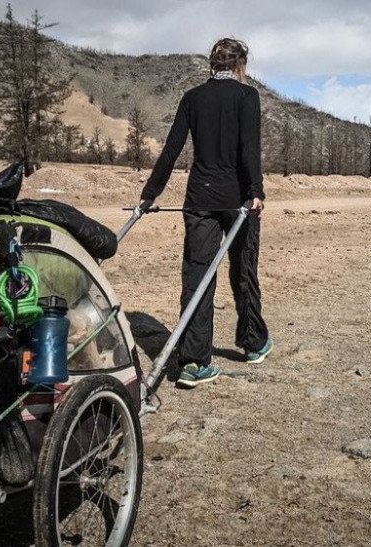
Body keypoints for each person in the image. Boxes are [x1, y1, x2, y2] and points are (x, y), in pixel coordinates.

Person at [139, 38, 273, 388]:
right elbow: (249, 150)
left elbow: (170, 151)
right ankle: (253, 343)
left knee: (197, 276)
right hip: (239, 200)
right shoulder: (248, 97)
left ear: (212, 66)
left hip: (199, 198)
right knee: (243, 271)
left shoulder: (193, 97)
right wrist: (256, 191)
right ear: (241, 65)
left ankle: (194, 362)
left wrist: (150, 194)